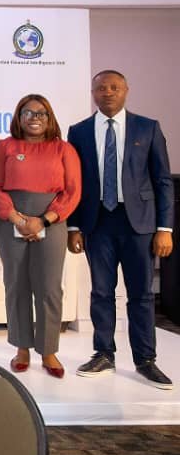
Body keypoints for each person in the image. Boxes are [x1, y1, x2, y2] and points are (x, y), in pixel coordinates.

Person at [68, 70, 174, 389]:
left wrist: (165, 228)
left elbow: (162, 180)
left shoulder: (148, 127)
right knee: (101, 292)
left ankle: (145, 360)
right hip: (97, 222)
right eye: (101, 88)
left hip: (139, 223)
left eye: (115, 87)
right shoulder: (79, 131)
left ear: (126, 90)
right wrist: (74, 226)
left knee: (141, 294)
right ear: (93, 93)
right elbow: (75, 183)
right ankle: (103, 354)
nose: (108, 92)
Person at [0, 94, 80, 378]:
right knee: (16, 285)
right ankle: (22, 347)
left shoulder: (64, 149)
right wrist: (17, 219)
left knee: (49, 287)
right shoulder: (4, 147)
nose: (35, 118)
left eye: (41, 113)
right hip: (10, 220)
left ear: (50, 118)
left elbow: (72, 191)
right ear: (19, 117)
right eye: (28, 112)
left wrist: (42, 221)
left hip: (51, 221)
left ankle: (48, 350)